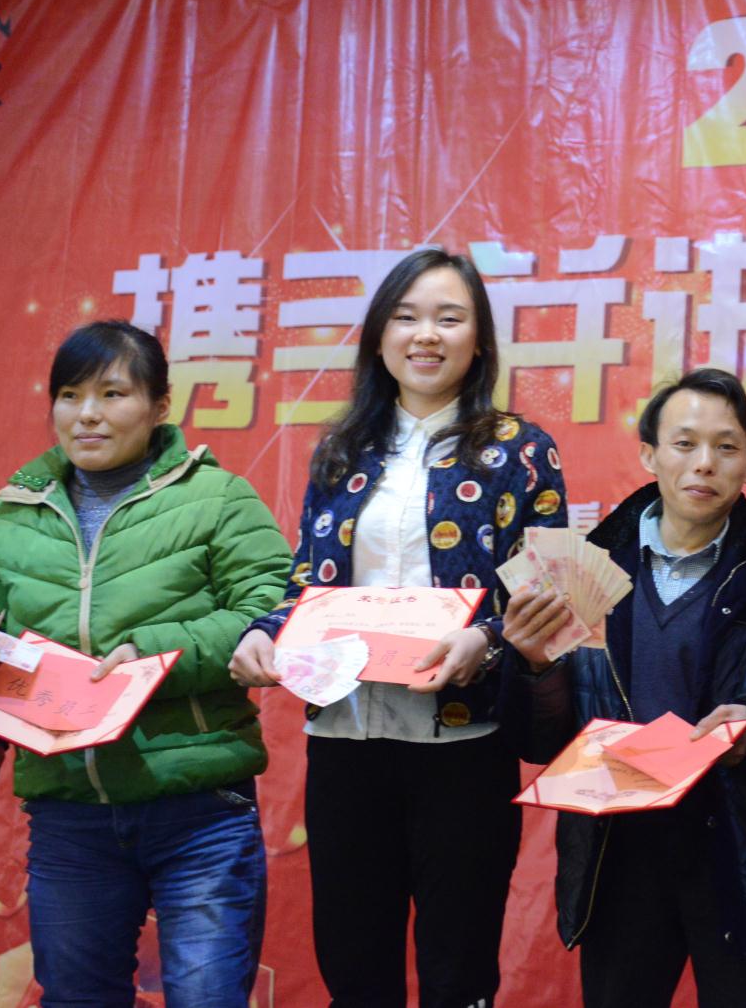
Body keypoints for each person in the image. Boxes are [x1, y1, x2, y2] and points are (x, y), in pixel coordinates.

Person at [228, 248, 567, 1008]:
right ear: (379, 336)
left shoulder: (521, 448)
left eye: (449, 318)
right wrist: (264, 633)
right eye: (406, 317)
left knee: (459, 970)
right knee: (355, 969)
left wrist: (486, 640)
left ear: (479, 340)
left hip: (464, 744)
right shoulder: (341, 448)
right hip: (346, 739)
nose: (426, 335)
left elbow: (546, 590)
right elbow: (309, 583)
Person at [0, 321, 290, 1007]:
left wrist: (161, 653)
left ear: (160, 407)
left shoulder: (219, 498)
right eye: (69, 395)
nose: (86, 414)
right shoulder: (13, 513)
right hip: (70, 810)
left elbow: (270, 608)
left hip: (199, 809)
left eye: (112, 394)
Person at [500, 368, 746, 1008]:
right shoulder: (580, 570)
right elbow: (538, 741)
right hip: (616, 851)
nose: (704, 464)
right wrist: (533, 668)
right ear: (649, 454)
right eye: (684, 443)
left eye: (726, 447)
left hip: (741, 851)